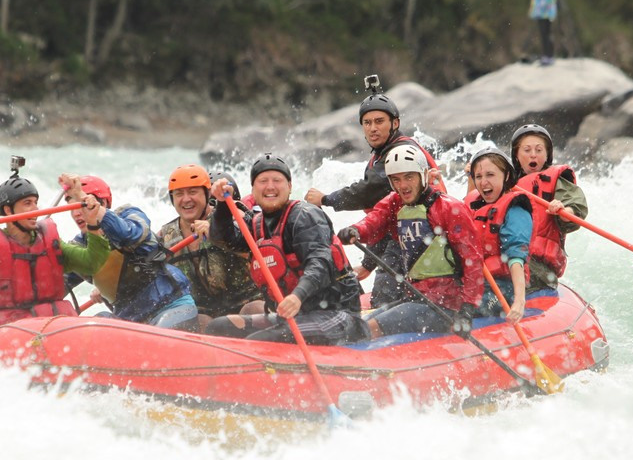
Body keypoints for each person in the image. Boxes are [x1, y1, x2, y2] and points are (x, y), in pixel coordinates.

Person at [303, 75, 439, 307]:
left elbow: (368, 191)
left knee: (385, 295)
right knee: (385, 293)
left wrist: (326, 199)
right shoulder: (384, 152)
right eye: (367, 123)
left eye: (379, 121)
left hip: (421, 233)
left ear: (395, 123)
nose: (373, 128)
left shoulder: (401, 153)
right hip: (403, 233)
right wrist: (368, 264)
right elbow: (386, 219)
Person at [206, 154, 368, 345]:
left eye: (277, 180)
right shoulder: (257, 224)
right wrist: (223, 205)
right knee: (218, 328)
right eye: (263, 181)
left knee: (260, 342)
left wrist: (297, 296)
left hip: (337, 315)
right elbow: (223, 239)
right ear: (253, 189)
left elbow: (320, 264)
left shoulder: (305, 216)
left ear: (290, 187)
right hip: (296, 316)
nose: (270, 186)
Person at [337, 146, 485, 339]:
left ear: (423, 175)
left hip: (445, 305)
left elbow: (472, 262)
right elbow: (374, 219)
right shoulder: (395, 202)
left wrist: (467, 310)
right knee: (361, 325)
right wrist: (356, 230)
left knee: (367, 329)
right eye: (396, 179)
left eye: (409, 177)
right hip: (415, 296)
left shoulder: (450, 208)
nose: (403, 185)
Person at [0, 171, 110, 329]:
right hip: (15, 331)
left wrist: (93, 224)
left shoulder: (51, 243)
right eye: (27, 203)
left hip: (55, 327)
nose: (35, 209)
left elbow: (92, 263)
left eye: (35, 202)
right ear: (8, 211)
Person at [58, 173, 199, 331]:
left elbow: (127, 234)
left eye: (80, 204)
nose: (76, 212)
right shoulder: (79, 247)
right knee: (99, 320)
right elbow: (56, 284)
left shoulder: (130, 215)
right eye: (71, 206)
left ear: (103, 203)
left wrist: (83, 197)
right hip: (130, 321)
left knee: (156, 337)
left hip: (171, 306)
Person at [157, 164, 263, 330]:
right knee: (199, 321)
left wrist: (216, 233)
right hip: (204, 312)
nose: (186, 199)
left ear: (207, 195)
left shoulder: (231, 217)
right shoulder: (165, 236)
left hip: (247, 301)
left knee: (253, 310)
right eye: (179, 194)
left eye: (193, 192)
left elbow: (257, 254)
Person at [510, 124, 588, 293]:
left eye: (539, 150)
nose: (533, 155)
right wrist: (473, 178)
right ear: (516, 155)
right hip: (507, 259)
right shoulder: (503, 183)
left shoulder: (556, 181)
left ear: (547, 155)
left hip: (538, 267)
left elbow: (576, 207)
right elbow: (476, 210)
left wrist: (563, 211)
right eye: (527, 150)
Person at [465, 147, 532, 322]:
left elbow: (516, 256)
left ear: (506, 176)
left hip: (503, 286)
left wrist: (519, 301)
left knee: (462, 311)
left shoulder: (515, 210)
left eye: (490, 175)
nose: (483, 182)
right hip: (477, 283)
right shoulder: (475, 207)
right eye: (478, 177)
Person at [529, 0, 562, 66]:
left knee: (546, 34)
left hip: (545, 12)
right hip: (542, 12)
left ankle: (548, 56)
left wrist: (540, 6)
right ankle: (546, 56)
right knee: (544, 34)